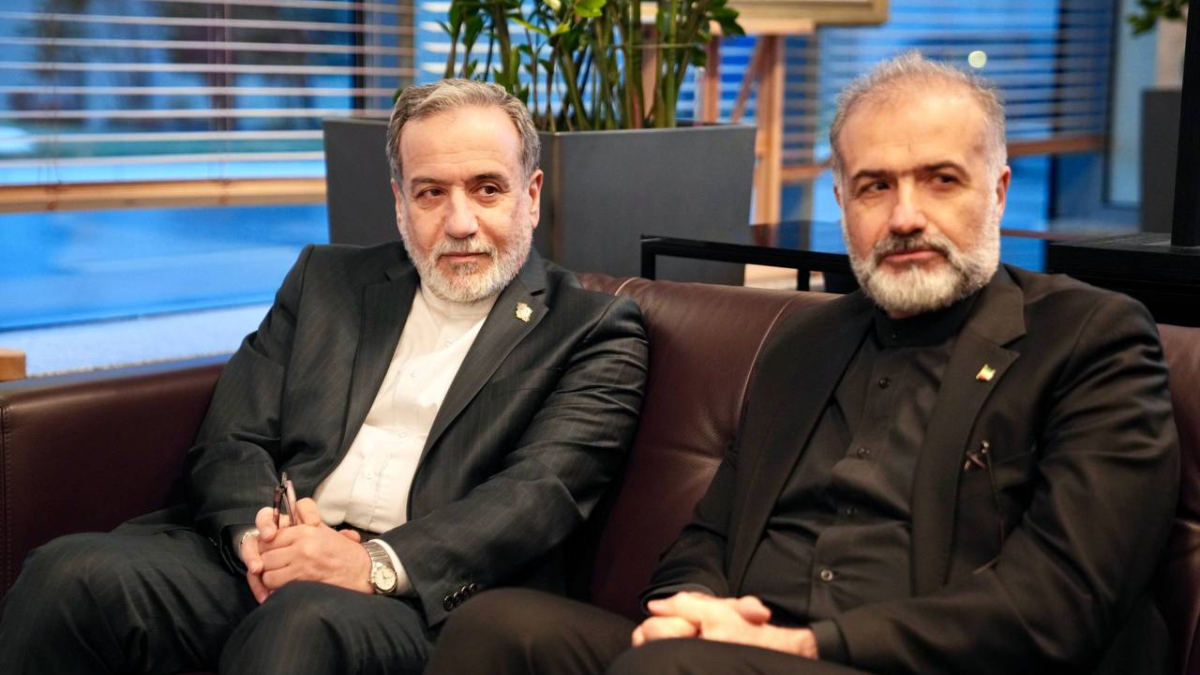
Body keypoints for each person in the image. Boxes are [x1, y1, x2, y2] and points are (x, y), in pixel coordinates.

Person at [423, 51, 1180, 675]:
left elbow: (1064, 598)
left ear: (999, 191)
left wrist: (806, 645)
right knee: (498, 627)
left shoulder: (1087, 338)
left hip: (915, 659)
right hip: (739, 652)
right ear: (843, 204)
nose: (905, 215)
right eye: (875, 186)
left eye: (941, 180)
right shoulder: (803, 344)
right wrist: (695, 607)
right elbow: (707, 538)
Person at [0, 80, 649, 675]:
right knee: (69, 573)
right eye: (430, 192)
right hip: (265, 559)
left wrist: (367, 563)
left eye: (486, 189)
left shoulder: (591, 328)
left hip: (416, 599)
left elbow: (536, 495)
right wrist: (262, 538)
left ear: (529, 196)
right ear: (400, 203)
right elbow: (231, 436)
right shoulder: (326, 282)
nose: (459, 222)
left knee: (301, 622)